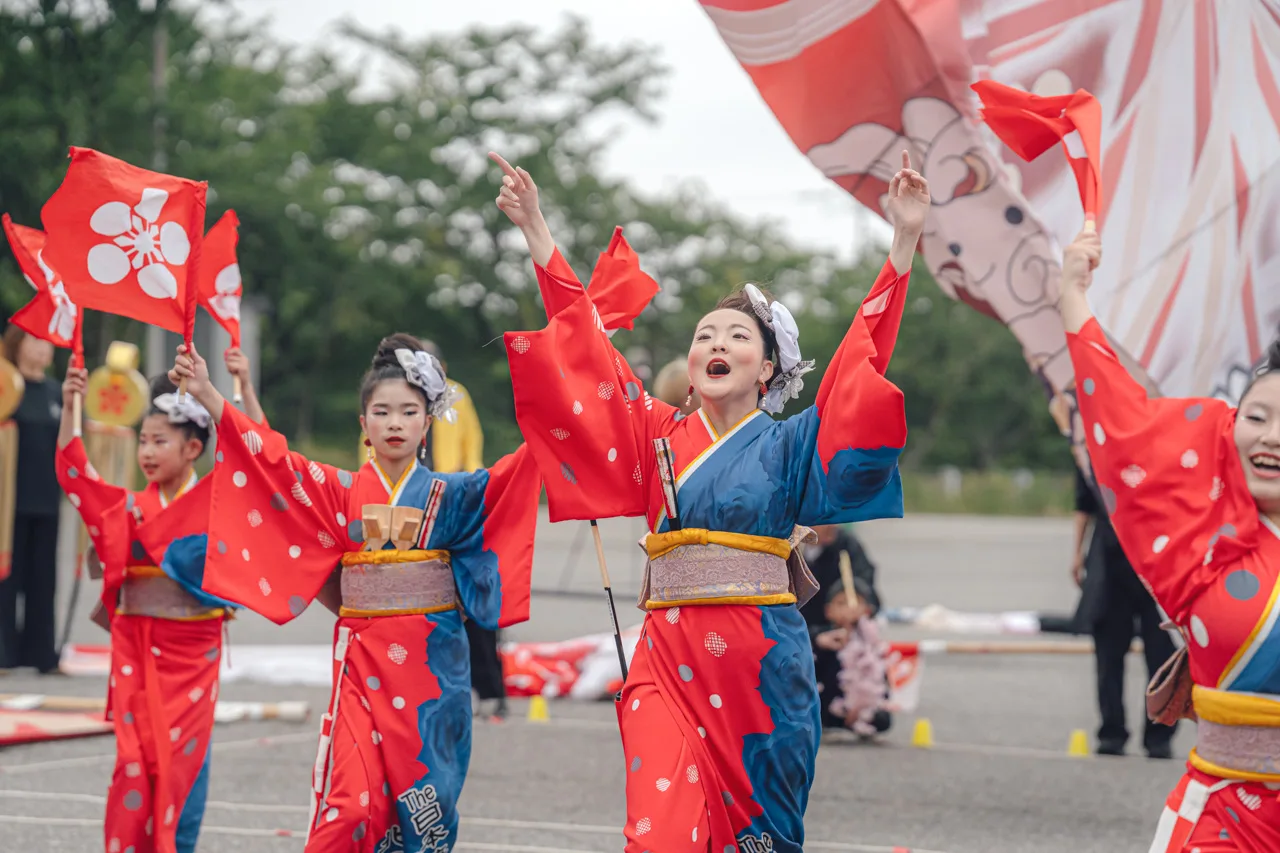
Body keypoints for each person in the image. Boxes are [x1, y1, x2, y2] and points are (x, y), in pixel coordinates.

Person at [493, 149, 928, 853]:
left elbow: (860, 361)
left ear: (769, 368)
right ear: (693, 367)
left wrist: (903, 240)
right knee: (658, 835)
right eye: (704, 336)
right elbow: (585, 345)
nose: (716, 343)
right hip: (667, 660)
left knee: (759, 839)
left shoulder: (791, 442)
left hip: (763, 666)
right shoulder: (655, 433)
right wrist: (537, 230)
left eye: (736, 336)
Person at [169, 333, 541, 853]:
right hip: (362, 669)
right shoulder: (338, 491)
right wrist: (210, 393)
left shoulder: (455, 495)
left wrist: (559, 394)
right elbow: (274, 463)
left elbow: (523, 467)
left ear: (427, 423)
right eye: (381, 412)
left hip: (434, 673)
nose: (394, 423)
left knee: (426, 811)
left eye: (408, 412)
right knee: (351, 807)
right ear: (363, 424)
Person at [1060, 224, 1280, 851]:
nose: (1271, 437)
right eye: (1257, 417)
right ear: (1227, 428)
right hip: (1224, 816)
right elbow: (1120, 418)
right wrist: (1072, 295)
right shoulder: (1196, 544)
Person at [56, 348, 265, 853]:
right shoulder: (128, 507)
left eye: (159, 441)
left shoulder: (216, 501)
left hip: (194, 651)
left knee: (182, 763)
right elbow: (76, 476)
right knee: (134, 761)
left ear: (192, 448)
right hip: (136, 649)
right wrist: (71, 406)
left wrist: (241, 388)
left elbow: (259, 459)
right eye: (143, 441)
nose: (147, 453)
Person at [417, 340, 508, 721]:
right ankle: (431, 688)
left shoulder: (457, 395)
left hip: (455, 497)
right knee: (422, 602)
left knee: (474, 594)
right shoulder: (398, 396)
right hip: (414, 502)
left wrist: (471, 483)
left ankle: (490, 688)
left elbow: (472, 440)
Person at [1072, 464, 1178, 758]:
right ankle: (1112, 732)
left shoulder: (1162, 449)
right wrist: (1077, 553)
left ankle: (1159, 735)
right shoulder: (1093, 449)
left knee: (1163, 654)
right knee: (1108, 653)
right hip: (1109, 561)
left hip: (1158, 561)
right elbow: (1083, 504)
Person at [0, 326, 62, 674]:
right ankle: (4, 652)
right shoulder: (7, 387)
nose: (43, 348)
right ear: (17, 344)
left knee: (43, 581)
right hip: (8, 502)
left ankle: (42, 654)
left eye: (47, 342)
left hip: (47, 500)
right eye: (35, 340)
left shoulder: (56, 392)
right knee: (6, 579)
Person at [799, 525, 891, 736]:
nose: (830, 526)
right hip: (805, 631)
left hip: (843, 630)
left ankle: (856, 711)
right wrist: (815, 636)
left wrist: (856, 606)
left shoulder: (846, 546)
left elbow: (867, 589)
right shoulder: (789, 545)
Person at [813, 578, 891, 737]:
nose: (847, 609)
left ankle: (859, 717)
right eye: (841, 603)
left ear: (867, 610)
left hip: (861, 703)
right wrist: (818, 642)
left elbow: (881, 677)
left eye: (854, 603)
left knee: (882, 718)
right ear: (828, 610)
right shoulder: (823, 635)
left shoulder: (870, 639)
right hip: (828, 700)